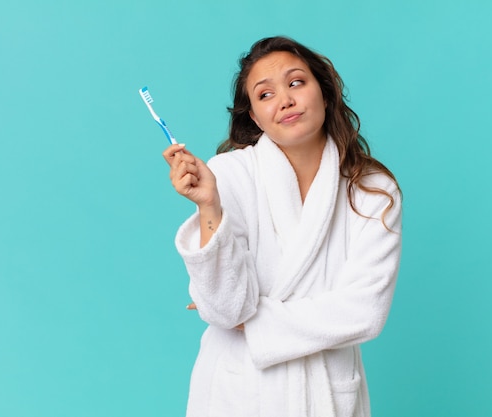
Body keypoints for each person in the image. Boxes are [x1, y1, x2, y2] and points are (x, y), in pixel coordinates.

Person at [162, 36, 402, 417]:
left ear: (324, 92)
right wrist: (209, 204)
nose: (285, 100)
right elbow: (225, 311)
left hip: (324, 395)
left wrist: (253, 319)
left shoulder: (372, 189)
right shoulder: (228, 176)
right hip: (236, 392)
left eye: (295, 83)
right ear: (255, 117)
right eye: (265, 94)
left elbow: (365, 312)